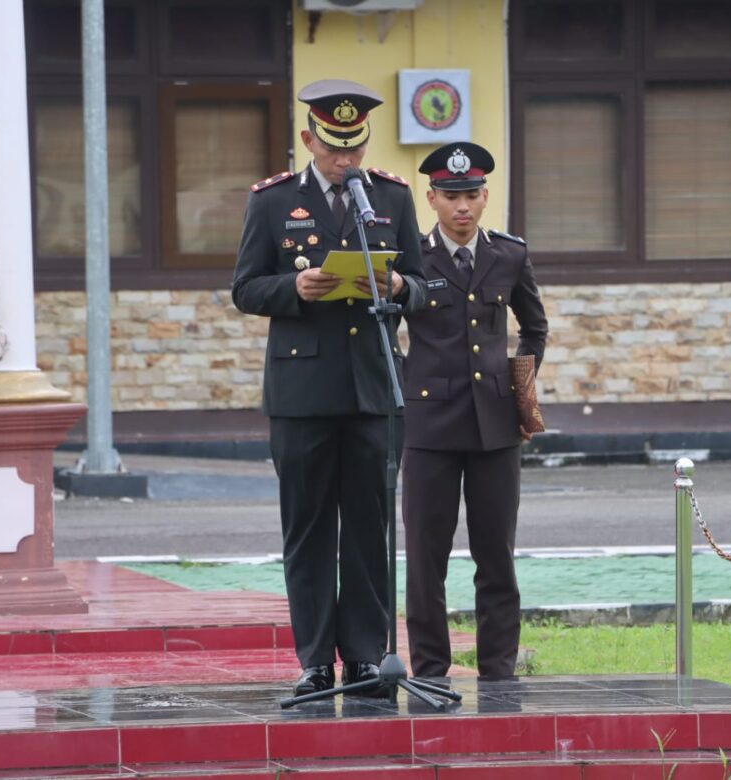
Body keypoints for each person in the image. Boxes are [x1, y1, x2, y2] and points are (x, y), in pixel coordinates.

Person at [231, 80, 427, 697]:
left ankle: (367, 657)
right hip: (302, 391)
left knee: (370, 527)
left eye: (355, 148)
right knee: (309, 527)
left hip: (372, 387)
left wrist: (396, 289)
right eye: (335, 148)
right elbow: (245, 288)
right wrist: (296, 289)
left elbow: (423, 286)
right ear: (309, 139)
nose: (347, 161)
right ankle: (315, 658)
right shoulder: (272, 202)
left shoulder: (390, 199)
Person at [402, 141, 548, 680]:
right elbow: (383, 328)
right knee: (426, 560)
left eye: (471, 195)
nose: (462, 207)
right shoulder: (411, 257)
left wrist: (523, 389)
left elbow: (534, 327)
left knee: (497, 558)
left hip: (495, 426)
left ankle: (498, 673)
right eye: (450, 196)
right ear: (431, 199)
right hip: (429, 427)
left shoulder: (509, 254)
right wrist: (404, 384)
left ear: (485, 196)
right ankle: (431, 673)